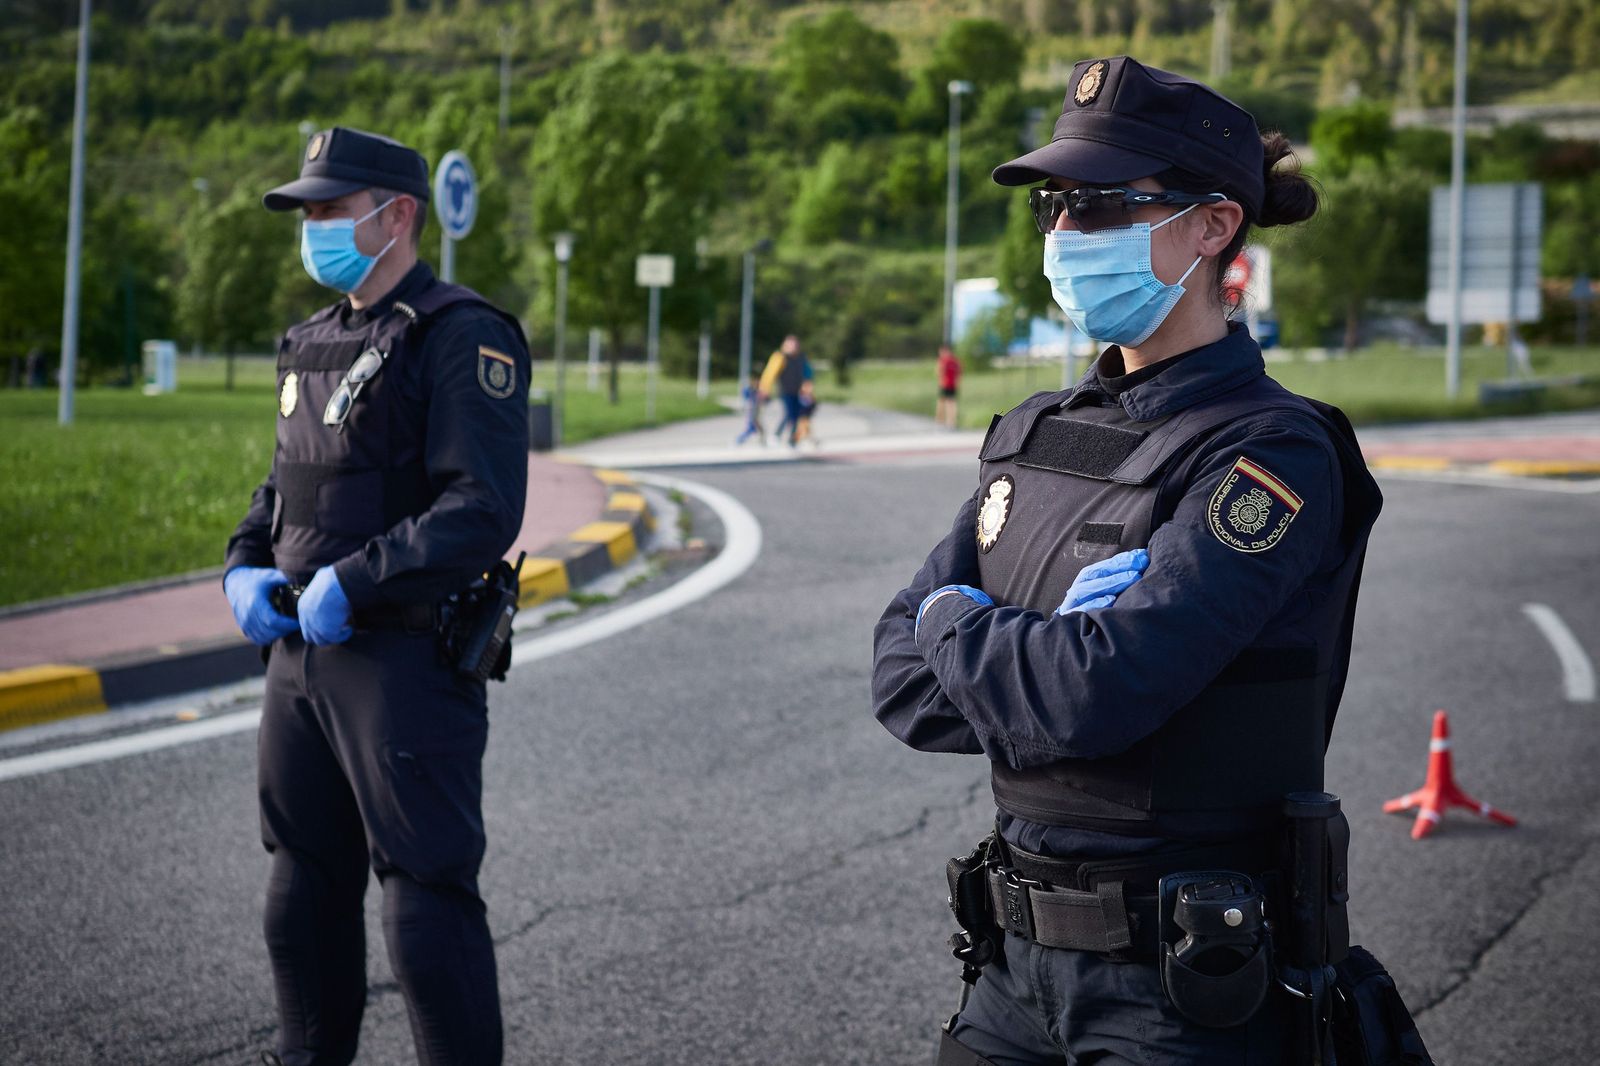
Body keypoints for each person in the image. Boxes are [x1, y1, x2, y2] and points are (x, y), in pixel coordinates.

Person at [871, 57, 1383, 1066]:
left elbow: (1093, 695)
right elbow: (898, 680)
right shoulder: (1032, 435)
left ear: (1211, 226)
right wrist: (1029, 650)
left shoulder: (1268, 451)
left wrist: (957, 623)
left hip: (1179, 985)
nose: (1064, 235)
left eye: (1103, 205)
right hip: (1010, 968)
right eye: (1056, 205)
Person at [222, 126, 530, 1066]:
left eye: (328, 208)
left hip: (401, 658)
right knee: (301, 886)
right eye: (306, 211)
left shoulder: (459, 333)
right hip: (299, 661)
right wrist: (242, 563)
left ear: (396, 216)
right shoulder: (311, 341)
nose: (311, 226)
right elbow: (284, 488)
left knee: (426, 897)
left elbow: (482, 507)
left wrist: (354, 581)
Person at [759, 333, 812, 447]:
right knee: (788, 414)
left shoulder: (801, 357)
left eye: (795, 345)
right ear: (785, 345)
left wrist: (808, 387)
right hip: (785, 391)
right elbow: (769, 374)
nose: (794, 347)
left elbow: (808, 373)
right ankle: (777, 435)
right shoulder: (780, 357)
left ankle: (793, 439)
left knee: (797, 415)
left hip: (798, 391)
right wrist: (765, 388)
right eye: (791, 345)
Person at [936, 344, 961, 428]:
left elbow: (939, 372)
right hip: (953, 384)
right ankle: (952, 421)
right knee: (952, 402)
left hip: (944, 384)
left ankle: (941, 419)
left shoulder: (943, 360)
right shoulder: (955, 361)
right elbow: (959, 373)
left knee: (943, 402)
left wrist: (940, 381)